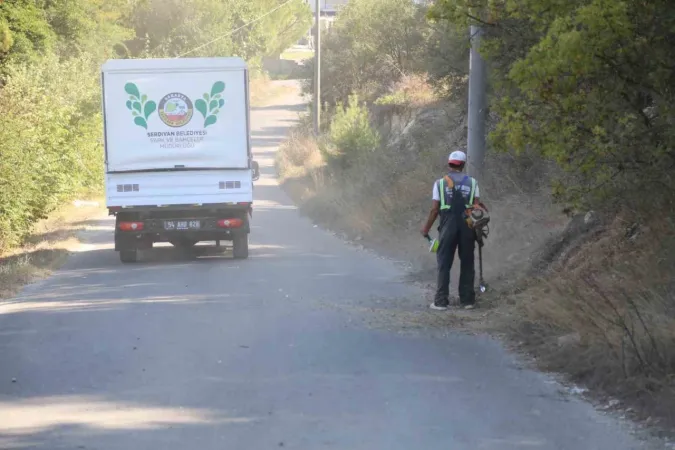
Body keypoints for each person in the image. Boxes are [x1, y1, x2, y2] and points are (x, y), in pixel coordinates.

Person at [420, 150, 482, 310]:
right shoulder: (473, 183)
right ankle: (467, 301)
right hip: (468, 225)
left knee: (444, 263)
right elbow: (476, 208)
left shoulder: (440, 183)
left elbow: (434, 210)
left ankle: (441, 302)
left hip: (448, 225)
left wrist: (426, 228)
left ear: (449, 164)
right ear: (463, 164)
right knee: (467, 262)